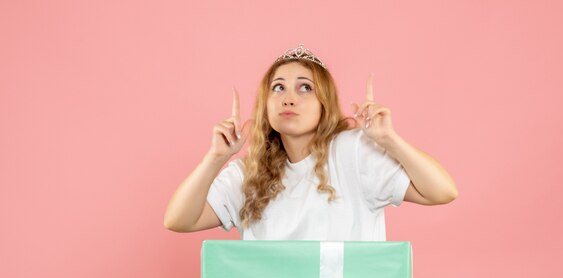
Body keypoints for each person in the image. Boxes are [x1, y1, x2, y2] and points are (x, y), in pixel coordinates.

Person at [164, 44, 458, 240]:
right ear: (266, 105)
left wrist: (389, 140)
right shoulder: (248, 173)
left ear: (324, 104)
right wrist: (215, 158)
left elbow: (442, 191)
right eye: (278, 88)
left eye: (305, 87)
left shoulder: (352, 151)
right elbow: (179, 220)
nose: (289, 97)